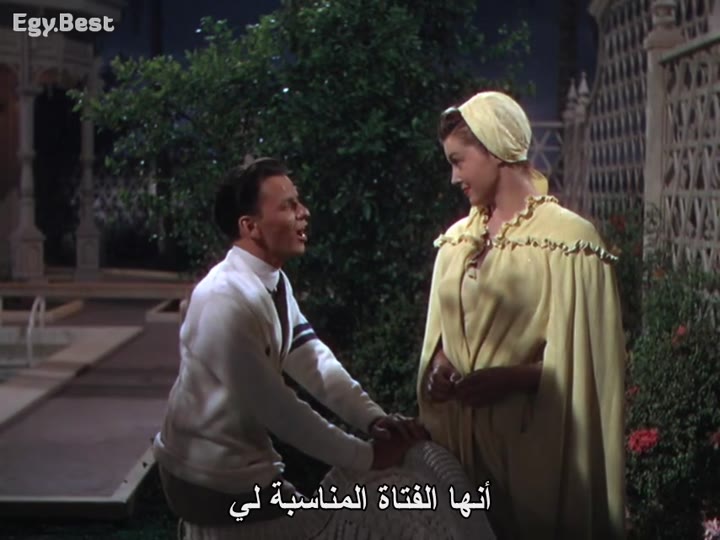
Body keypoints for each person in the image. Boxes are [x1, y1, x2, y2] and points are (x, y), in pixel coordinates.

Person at [153, 157, 425, 539]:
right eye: (288, 206)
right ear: (250, 226)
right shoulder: (223, 299)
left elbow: (311, 358)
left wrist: (371, 418)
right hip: (209, 476)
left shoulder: (272, 281)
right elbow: (277, 408)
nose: (304, 213)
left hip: (241, 466)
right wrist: (366, 457)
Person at [416, 91, 626, 540]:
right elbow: (446, 334)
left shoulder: (569, 242)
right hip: (461, 451)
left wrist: (510, 378)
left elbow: (587, 364)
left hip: (535, 448)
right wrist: (439, 365)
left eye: (459, 161)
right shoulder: (457, 241)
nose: (454, 177)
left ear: (494, 150)